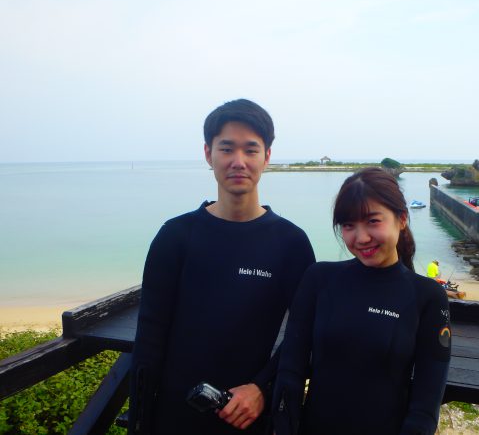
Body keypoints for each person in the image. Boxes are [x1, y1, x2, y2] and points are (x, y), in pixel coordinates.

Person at [128, 99, 315, 434]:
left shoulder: (291, 243)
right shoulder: (176, 236)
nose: (238, 162)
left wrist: (261, 387)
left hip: (249, 418)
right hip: (175, 417)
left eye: (251, 150)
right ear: (208, 153)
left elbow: (305, 335)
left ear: (266, 157)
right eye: (226, 149)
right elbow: (148, 341)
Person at [272, 168, 450, 435]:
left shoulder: (428, 296)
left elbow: (425, 405)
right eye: (348, 225)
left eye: (373, 221)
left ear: (402, 219)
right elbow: (290, 371)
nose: (361, 237)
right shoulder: (319, 279)